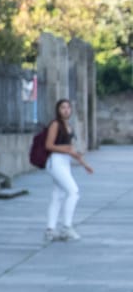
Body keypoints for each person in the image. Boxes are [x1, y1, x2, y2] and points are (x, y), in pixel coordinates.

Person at [43, 98, 93, 242]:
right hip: (55, 161)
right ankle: (66, 227)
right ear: (58, 110)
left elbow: (71, 150)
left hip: (65, 162)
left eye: (68, 108)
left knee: (57, 195)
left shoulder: (68, 126)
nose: (66, 110)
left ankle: (50, 230)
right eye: (63, 107)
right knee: (73, 191)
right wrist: (63, 148)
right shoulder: (55, 124)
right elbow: (49, 145)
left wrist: (84, 164)